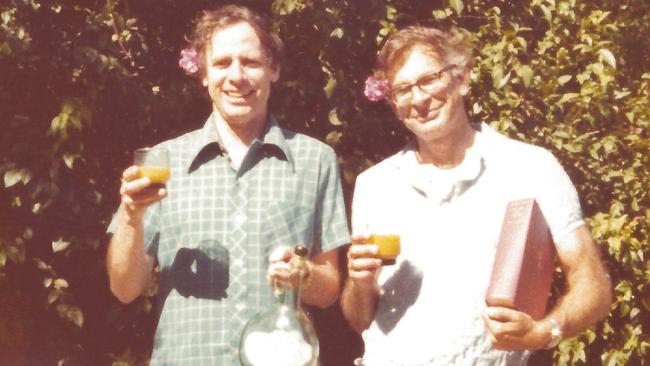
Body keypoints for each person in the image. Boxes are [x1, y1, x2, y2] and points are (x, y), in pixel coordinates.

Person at [341, 25, 612, 365]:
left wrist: (544, 332)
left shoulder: (530, 167)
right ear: (394, 105)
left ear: (462, 79)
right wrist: (360, 284)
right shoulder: (374, 185)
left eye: (429, 79)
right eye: (403, 89)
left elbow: (594, 285)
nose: (420, 98)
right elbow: (360, 319)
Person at [106, 5, 349, 364]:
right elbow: (124, 289)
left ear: (274, 69)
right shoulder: (163, 160)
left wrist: (304, 275)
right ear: (204, 74)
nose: (236, 76)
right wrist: (131, 216)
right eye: (222, 63)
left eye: (250, 62)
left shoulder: (316, 160)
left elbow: (328, 290)